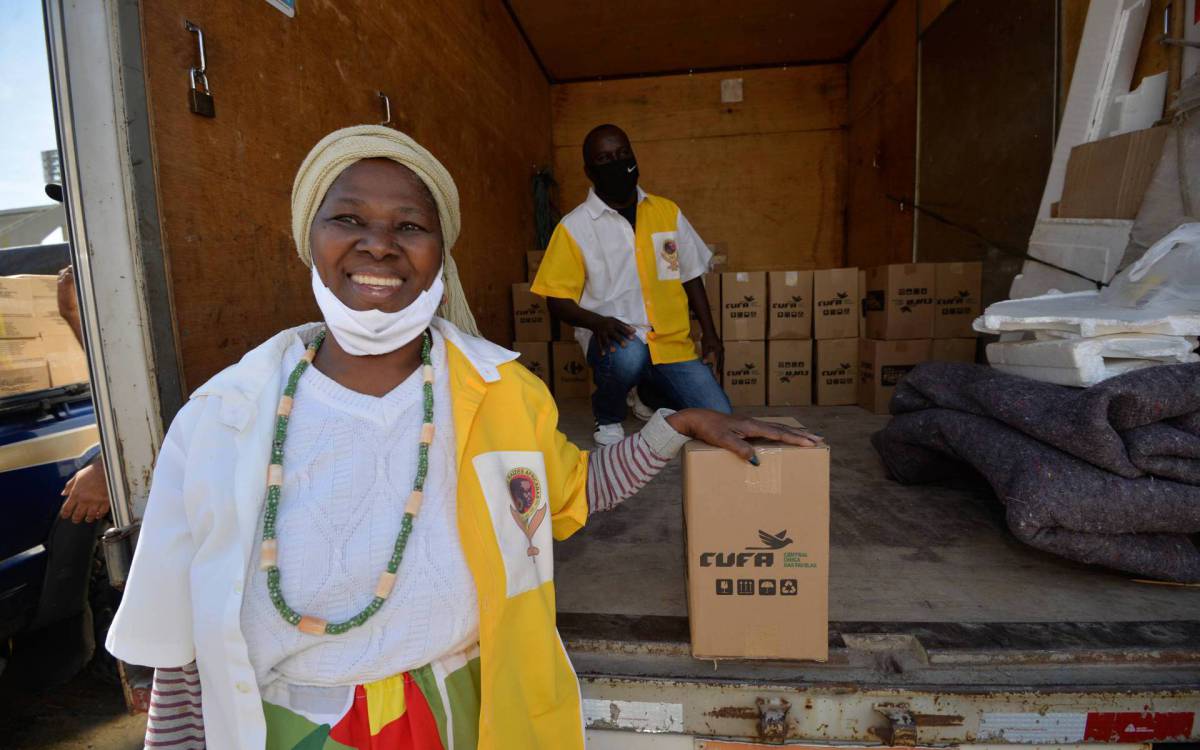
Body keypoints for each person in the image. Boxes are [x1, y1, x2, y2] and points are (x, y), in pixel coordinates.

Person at [104, 125, 819, 750]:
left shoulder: (503, 392)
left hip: (466, 719)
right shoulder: (221, 417)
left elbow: (570, 492)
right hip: (289, 728)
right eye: (347, 217)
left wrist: (678, 424)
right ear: (307, 238)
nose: (378, 243)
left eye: (409, 225)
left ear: (439, 253)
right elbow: (178, 653)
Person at [531, 124, 728, 446]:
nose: (618, 163)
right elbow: (556, 300)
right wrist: (598, 322)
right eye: (605, 158)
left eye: (623, 154)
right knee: (629, 355)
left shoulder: (667, 212)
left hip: (671, 344)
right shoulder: (575, 227)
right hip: (617, 339)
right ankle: (608, 415)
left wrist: (711, 334)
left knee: (719, 415)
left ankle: (648, 393)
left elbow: (691, 275)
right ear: (589, 171)